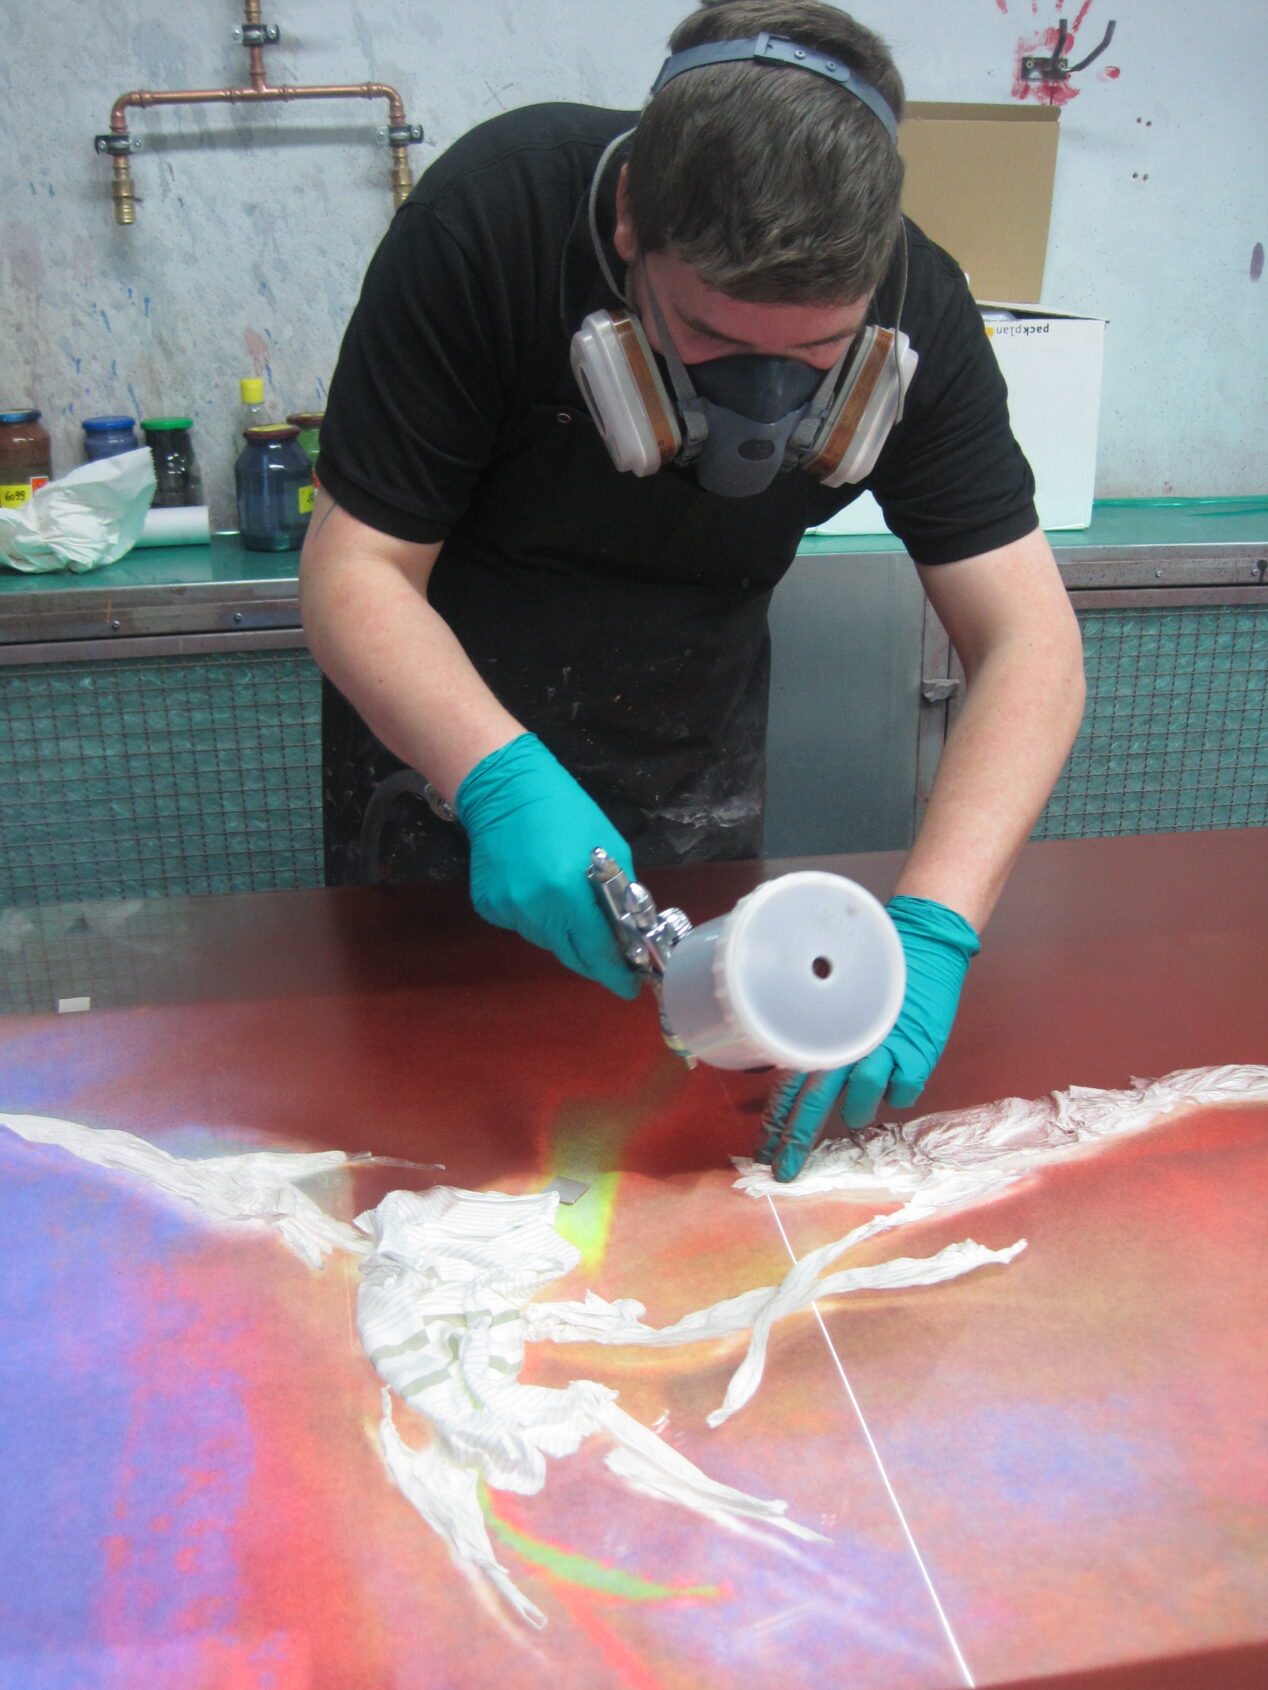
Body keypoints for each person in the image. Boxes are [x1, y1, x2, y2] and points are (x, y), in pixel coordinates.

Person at [300, 0, 1086, 1180]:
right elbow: (355, 570)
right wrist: (496, 778)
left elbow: (1030, 641)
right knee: (441, 1149)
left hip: (695, 765)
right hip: (442, 766)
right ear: (629, 225)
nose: (762, 401)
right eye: (714, 339)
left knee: (668, 1151)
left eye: (815, 359)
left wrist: (931, 926)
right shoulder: (492, 219)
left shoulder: (917, 301)